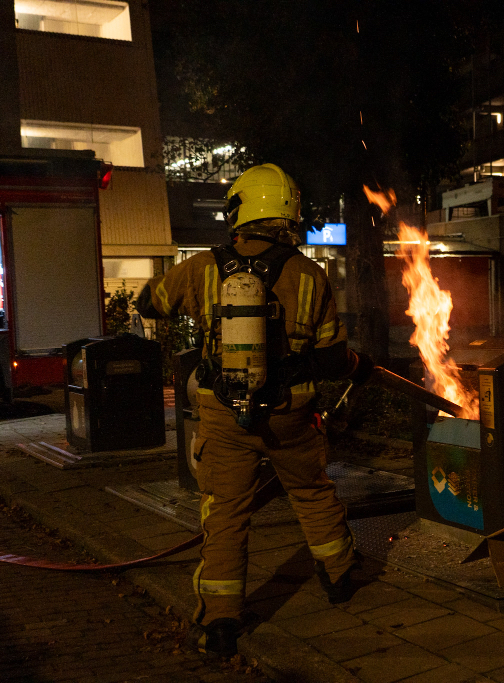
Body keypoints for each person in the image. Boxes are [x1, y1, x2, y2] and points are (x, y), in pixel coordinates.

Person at [135, 163, 373, 658]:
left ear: (241, 209)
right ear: (289, 214)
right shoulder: (311, 275)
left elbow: (148, 302)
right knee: (311, 492)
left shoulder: (203, 267)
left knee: (225, 513)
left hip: (224, 414)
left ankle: (221, 621)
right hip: (293, 413)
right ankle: (342, 575)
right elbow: (331, 359)